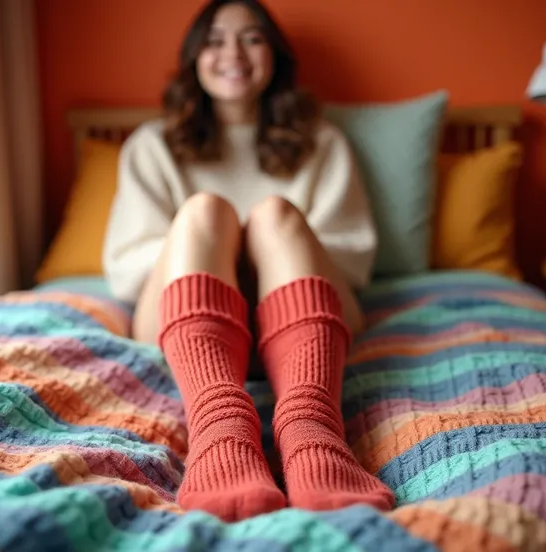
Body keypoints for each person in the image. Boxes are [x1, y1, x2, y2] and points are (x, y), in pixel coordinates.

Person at [102, 0, 394, 522]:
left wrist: (263, 240)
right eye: (214, 40)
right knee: (204, 211)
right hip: (189, 332)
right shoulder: (153, 146)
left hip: (306, 328)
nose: (232, 53)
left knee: (274, 214)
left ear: (274, 54)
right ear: (194, 57)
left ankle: (312, 427)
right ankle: (219, 426)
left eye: (251, 38)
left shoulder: (321, 142)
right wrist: (222, 250)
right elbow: (127, 267)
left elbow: (350, 257)